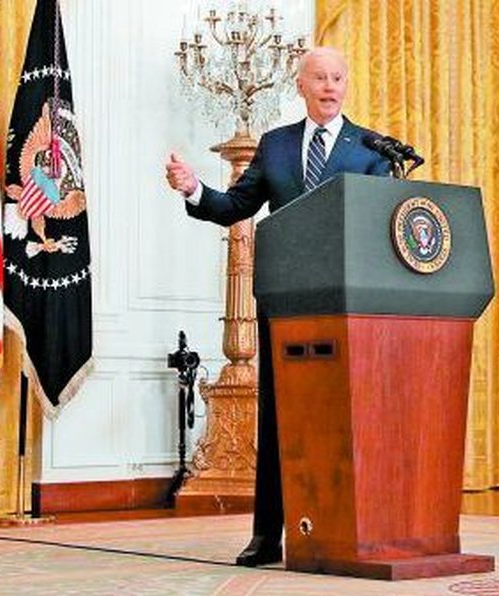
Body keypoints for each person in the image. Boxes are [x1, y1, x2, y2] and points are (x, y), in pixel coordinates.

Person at [165, 46, 393, 567]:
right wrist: (195, 188)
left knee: (343, 416)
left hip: (348, 304)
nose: (330, 87)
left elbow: (379, 223)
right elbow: (235, 206)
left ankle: (350, 530)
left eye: (338, 78)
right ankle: (267, 536)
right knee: (279, 418)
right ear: (301, 85)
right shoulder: (277, 145)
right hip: (285, 303)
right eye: (320, 78)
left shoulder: (371, 150)